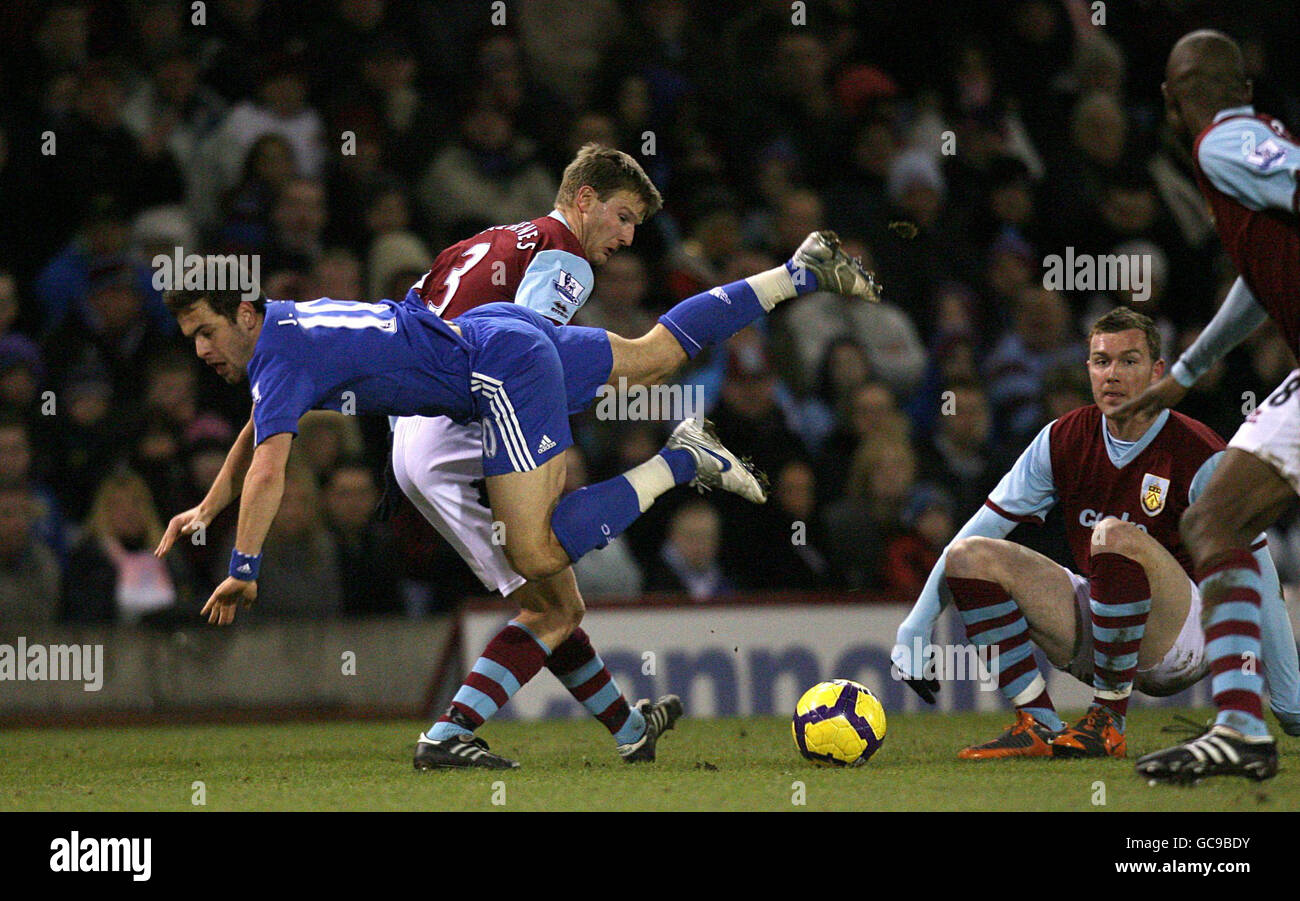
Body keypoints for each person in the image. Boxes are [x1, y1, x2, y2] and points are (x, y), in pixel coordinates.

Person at [155, 220, 869, 769]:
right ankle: (794, 273)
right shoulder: (283, 327)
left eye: (206, 332)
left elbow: (270, 467)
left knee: (537, 557)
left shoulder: (279, 352)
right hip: (496, 342)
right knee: (653, 358)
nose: (201, 351)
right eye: (190, 338)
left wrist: (243, 566)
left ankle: (679, 463)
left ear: (244, 312)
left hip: (496, 371)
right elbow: (260, 423)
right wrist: (210, 507)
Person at [389, 144, 878, 768]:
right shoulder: (565, 257)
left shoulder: (491, 238)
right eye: (622, 217)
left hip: (421, 427)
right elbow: (521, 346)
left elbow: (419, 305)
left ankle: (628, 731)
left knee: (555, 606)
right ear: (585, 199)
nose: (626, 237)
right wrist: (541, 424)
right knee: (652, 358)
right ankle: (449, 735)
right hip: (470, 412)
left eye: (635, 227)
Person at [892, 309, 1300, 761]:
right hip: (1108, 631)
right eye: (1101, 361)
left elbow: (1260, 573)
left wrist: (1289, 696)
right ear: (1088, 368)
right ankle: (1038, 725)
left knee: (1112, 535)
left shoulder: (1199, 451)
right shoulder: (1062, 438)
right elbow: (980, 528)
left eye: (1129, 361)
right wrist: (918, 622)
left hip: (1182, 638)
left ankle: (1108, 720)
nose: (1113, 375)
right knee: (969, 555)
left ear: (1158, 372)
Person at [1110, 30, 1300, 783]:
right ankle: (1241, 727)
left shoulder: (1224, 145)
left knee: (1213, 516)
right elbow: (1261, 275)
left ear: (1169, 97)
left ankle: (1243, 722)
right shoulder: (1250, 144)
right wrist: (1187, 370)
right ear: (1242, 84)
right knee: (1214, 516)